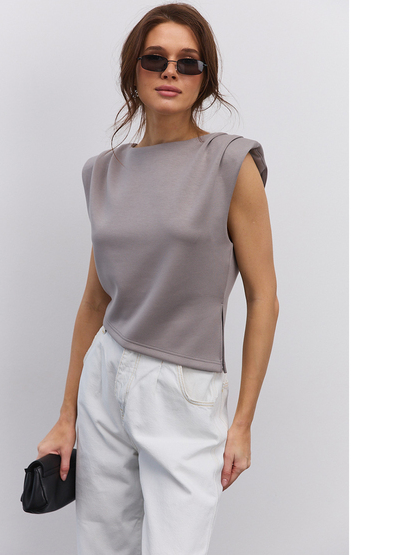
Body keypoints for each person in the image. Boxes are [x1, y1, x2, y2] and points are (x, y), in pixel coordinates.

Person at [37, 3, 279, 554]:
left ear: (204, 78)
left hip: (184, 385)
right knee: (102, 543)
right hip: (106, 372)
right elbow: (95, 299)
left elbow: (264, 297)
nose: (171, 71)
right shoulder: (102, 172)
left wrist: (242, 422)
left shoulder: (230, 163)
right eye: (156, 59)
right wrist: (66, 414)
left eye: (188, 62)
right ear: (134, 70)